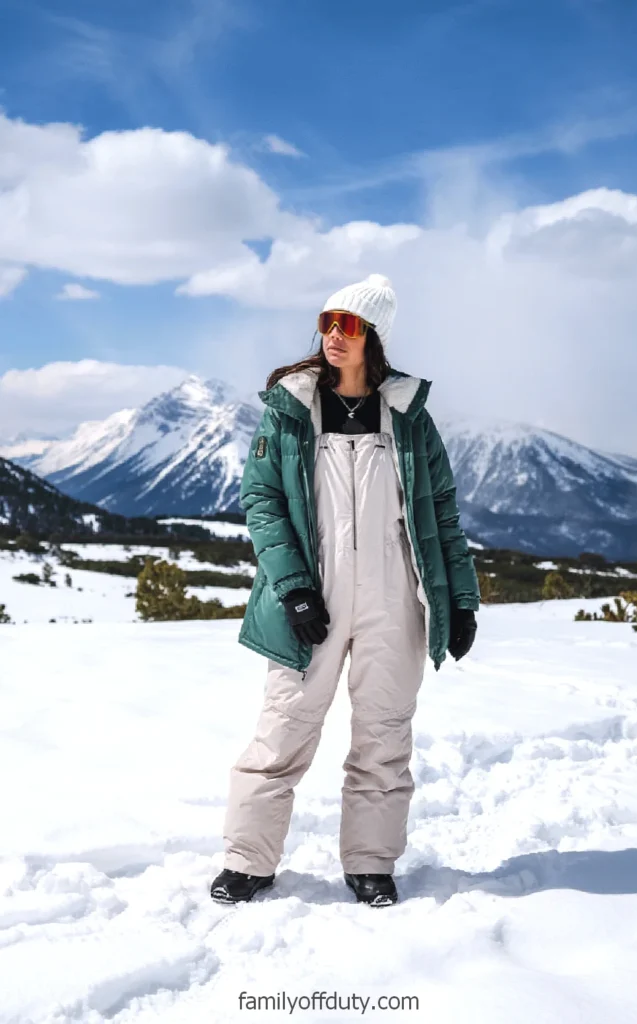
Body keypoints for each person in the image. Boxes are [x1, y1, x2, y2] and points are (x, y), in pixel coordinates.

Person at [211, 274, 480, 908]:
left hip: (395, 597)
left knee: (385, 733)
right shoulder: (290, 409)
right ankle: (248, 861)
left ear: (374, 338)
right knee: (283, 727)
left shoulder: (409, 417)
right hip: (314, 597)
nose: (334, 334)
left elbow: (441, 513)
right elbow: (263, 501)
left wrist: (461, 599)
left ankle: (371, 864)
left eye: (350, 325)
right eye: (328, 321)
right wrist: (294, 589)